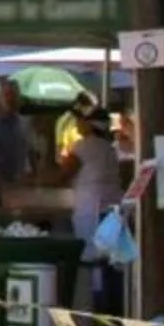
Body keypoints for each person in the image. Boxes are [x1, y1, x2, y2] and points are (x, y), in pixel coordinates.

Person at [64, 104, 126, 312]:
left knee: (93, 264)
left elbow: (61, 174)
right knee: (112, 266)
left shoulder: (83, 147)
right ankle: (116, 312)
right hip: (114, 210)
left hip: (93, 211)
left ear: (89, 125)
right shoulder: (109, 148)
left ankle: (98, 312)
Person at [0, 78, 35, 209]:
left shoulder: (24, 123)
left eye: (14, 95)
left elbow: (31, 153)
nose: (10, 99)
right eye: (7, 95)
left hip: (20, 188)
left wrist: (32, 179)